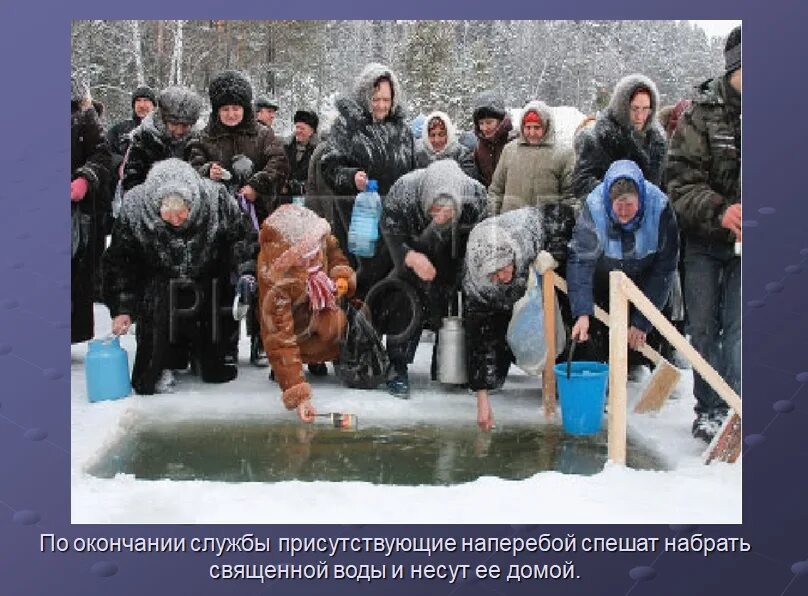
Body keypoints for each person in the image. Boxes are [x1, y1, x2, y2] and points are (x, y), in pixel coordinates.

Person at [102, 159, 256, 394]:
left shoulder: (216, 198)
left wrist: (247, 273)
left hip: (207, 279)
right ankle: (166, 360)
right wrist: (123, 307)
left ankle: (208, 356)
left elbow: (243, 239)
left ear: (192, 205)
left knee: (216, 371)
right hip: (159, 283)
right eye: (168, 215)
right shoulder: (136, 205)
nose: (176, 221)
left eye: (182, 214)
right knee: (147, 381)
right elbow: (120, 262)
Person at [664, 25, 741, 443]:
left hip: (754, 246)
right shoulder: (700, 113)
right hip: (703, 243)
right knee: (705, 329)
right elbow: (678, 183)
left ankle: (737, 405)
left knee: (742, 328)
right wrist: (719, 209)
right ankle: (709, 409)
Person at [376, 159, 487, 397]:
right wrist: (409, 256)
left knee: (459, 299)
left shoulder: (474, 195)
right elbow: (389, 229)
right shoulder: (405, 190)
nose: (441, 218)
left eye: (448, 213)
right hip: (413, 246)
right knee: (404, 293)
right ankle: (397, 364)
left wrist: (466, 268)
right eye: (435, 211)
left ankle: (452, 365)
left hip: (454, 250)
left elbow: (482, 236)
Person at [567, 160, 679, 366]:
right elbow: (580, 261)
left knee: (643, 337)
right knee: (600, 336)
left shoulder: (660, 207)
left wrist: (642, 322)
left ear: (641, 200)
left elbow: (665, 266)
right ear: (609, 202)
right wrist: (582, 311)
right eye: (619, 205)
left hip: (646, 278)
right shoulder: (594, 206)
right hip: (605, 278)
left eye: (630, 205)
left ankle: (644, 365)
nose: (625, 212)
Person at [320, 62, 415, 297]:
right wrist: (352, 177)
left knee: (395, 285)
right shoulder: (347, 126)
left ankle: (392, 331)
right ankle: (359, 328)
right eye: (376, 99)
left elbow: (413, 171)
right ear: (364, 96)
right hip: (358, 220)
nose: (382, 105)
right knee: (361, 281)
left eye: (386, 99)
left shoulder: (402, 130)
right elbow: (330, 166)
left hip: (395, 224)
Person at [256, 204, 355, 421]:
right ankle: (291, 369)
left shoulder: (318, 238)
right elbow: (280, 336)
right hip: (298, 324)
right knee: (291, 337)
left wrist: (341, 277)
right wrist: (299, 395)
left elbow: (334, 252)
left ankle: (323, 356)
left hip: (319, 313)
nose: (315, 261)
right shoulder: (275, 279)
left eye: (316, 254)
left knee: (343, 319)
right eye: (306, 258)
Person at [463, 207, 543, 430]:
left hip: (534, 286)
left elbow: (560, 218)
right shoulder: (476, 283)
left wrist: (554, 256)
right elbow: (476, 337)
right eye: (493, 274)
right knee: (492, 335)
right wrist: (482, 398)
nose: (501, 276)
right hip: (501, 300)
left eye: (503, 269)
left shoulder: (527, 232)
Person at [572, 74, 667, 199]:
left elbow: (665, 185)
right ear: (622, 106)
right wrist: (616, 194)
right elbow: (581, 183)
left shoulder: (657, 142)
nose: (640, 116)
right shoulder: (599, 138)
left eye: (645, 109)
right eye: (634, 109)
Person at [71, 77, 113, 343]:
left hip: (75, 209)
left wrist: (85, 178)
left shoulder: (83, 116)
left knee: (72, 274)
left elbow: (102, 154)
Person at [487, 100, 576, 215]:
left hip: (546, 227)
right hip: (510, 224)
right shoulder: (509, 150)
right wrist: (493, 218)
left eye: (537, 127)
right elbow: (496, 190)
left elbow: (570, 196)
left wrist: (563, 223)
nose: (532, 132)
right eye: (528, 127)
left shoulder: (564, 154)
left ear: (547, 126)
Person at [122, 86, 203, 191]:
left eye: (185, 125)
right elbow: (132, 181)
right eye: (173, 124)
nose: (179, 131)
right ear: (162, 119)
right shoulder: (144, 138)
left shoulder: (197, 140)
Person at [107, 86, 157, 178]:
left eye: (146, 100)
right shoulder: (119, 130)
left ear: (153, 105)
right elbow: (106, 153)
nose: (142, 105)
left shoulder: (161, 131)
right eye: (138, 100)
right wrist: (120, 165)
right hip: (126, 183)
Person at [470, 90, 514, 187]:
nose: (484, 128)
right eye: (481, 123)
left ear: (500, 120)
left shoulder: (514, 142)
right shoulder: (479, 147)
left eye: (489, 122)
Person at [414, 111, 476, 177]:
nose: (436, 140)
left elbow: (468, 181)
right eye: (432, 135)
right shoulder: (419, 156)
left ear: (448, 134)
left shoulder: (462, 155)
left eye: (441, 134)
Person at [281, 109, 319, 202]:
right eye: (297, 127)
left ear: (311, 131)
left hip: (309, 201)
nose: (298, 131)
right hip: (285, 200)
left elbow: (319, 178)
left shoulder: (318, 151)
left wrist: (303, 187)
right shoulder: (285, 147)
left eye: (302, 128)